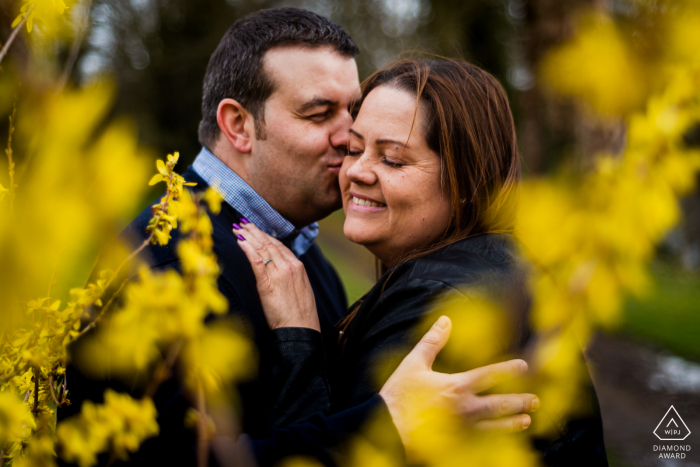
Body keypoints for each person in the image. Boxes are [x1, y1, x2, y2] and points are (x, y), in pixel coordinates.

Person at [62, 8, 539, 467]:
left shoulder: (306, 260)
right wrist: (386, 424)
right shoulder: (172, 268)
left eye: (351, 108)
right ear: (239, 125)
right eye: (318, 114)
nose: (350, 133)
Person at [234, 58, 609, 466]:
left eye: (393, 159)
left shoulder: (438, 307)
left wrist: (297, 340)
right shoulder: (494, 263)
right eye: (354, 148)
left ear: (467, 183)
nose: (357, 171)